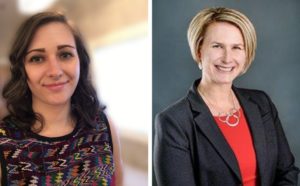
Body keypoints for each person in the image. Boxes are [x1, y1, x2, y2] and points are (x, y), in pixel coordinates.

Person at [154, 7, 299, 186]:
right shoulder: (174, 121)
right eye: (217, 46)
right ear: (199, 50)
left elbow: (287, 172)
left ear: (246, 55)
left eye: (237, 47)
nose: (227, 58)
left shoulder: (262, 103)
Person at [0, 11, 123, 186]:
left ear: (80, 62)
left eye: (65, 54)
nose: (55, 71)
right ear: (22, 69)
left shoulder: (104, 128)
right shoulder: (5, 141)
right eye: (37, 58)